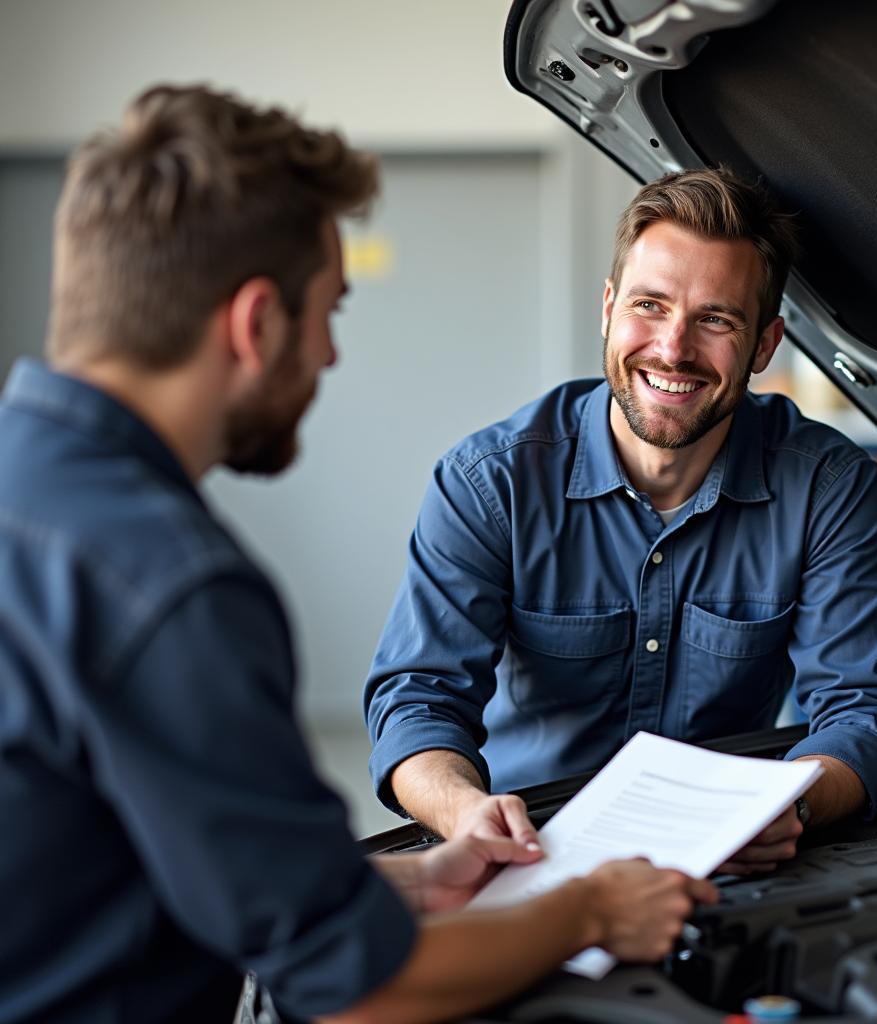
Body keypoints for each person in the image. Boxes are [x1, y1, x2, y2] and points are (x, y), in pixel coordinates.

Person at [0, 85, 718, 1024]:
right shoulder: (170, 588)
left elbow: (210, 876)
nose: (332, 356)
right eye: (328, 313)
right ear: (257, 324)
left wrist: (412, 884)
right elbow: (355, 988)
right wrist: (590, 907)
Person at [365, 168, 877, 873]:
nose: (672, 349)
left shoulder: (827, 487)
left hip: (729, 854)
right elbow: (418, 695)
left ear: (763, 345)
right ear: (607, 308)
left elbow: (869, 706)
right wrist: (463, 811)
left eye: (715, 319)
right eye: (649, 306)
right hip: (526, 850)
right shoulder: (490, 483)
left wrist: (797, 805)